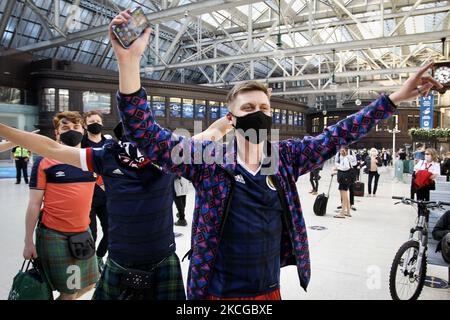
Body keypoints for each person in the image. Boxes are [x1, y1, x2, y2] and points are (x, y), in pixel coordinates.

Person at [1, 9, 441, 300]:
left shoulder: (285, 158)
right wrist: (128, 63)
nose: (259, 114)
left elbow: (342, 132)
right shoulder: (208, 160)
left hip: (268, 289)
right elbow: (146, 133)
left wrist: (396, 97)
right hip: (214, 292)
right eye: (248, 108)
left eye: (264, 108)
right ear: (230, 117)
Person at [0, 118, 229, 301]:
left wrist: (234, 117)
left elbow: (210, 134)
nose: (137, 141)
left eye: (143, 135)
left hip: (162, 257)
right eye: (130, 135)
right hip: (120, 258)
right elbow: (50, 147)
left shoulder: (169, 155)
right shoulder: (106, 157)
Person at [24, 111, 99, 300]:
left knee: (91, 283)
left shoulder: (93, 161)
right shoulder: (44, 162)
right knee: (68, 292)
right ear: (57, 133)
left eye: (75, 127)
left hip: (83, 232)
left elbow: (113, 190)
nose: (71, 131)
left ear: (83, 130)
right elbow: (34, 204)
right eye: (65, 128)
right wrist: (28, 242)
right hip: (54, 234)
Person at [81, 111, 112, 272]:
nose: (95, 123)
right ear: (85, 125)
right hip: (87, 197)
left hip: (107, 197)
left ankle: (99, 257)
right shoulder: (81, 144)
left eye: (98, 120)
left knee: (111, 231)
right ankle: (91, 264)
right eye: (92, 121)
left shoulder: (109, 143)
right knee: (90, 234)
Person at [333, 147, 354, 218]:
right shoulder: (347, 158)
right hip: (346, 179)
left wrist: (338, 167)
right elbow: (345, 168)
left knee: (344, 196)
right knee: (346, 196)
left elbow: (346, 168)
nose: (341, 152)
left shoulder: (345, 158)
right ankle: (348, 212)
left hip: (344, 180)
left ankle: (342, 213)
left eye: (342, 150)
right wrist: (337, 170)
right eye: (340, 150)